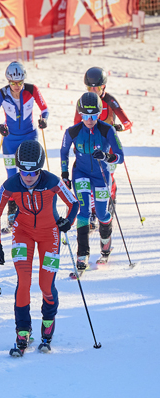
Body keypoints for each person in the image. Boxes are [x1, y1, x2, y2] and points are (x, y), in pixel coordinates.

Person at [0, 140, 78, 356]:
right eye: (23, 172)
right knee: (24, 282)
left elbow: (74, 203)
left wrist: (68, 221)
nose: (28, 177)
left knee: (45, 285)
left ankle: (47, 325)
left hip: (50, 234)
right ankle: (23, 331)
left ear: (41, 169)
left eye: (34, 172)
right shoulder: (10, 185)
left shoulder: (52, 181)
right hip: (23, 233)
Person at [60, 92, 125, 270]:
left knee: (103, 213)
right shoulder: (72, 131)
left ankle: (106, 243)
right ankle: (83, 254)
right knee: (83, 212)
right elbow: (63, 151)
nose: (90, 119)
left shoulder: (107, 130)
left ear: (99, 113)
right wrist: (65, 174)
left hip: (101, 175)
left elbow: (120, 157)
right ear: (80, 114)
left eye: (94, 115)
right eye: (86, 115)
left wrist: (106, 156)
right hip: (80, 173)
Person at [74, 67, 132, 230]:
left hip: (108, 149)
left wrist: (120, 126)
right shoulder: (83, 101)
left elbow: (127, 122)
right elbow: (76, 125)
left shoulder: (110, 101)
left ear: (103, 87)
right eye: (90, 88)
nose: (93, 91)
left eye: (97, 88)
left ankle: (110, 199)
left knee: (107, 177)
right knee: (90, 178)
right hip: (89, 149)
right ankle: (93, 212)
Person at [0, 61, 48, 181]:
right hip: (10, 140)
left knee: (32, 174)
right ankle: (12, 199)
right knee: (12, 176)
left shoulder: (32, 89)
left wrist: (44, 119)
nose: (17, 86)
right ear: (8, 81)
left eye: (20, 82)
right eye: (13, 83)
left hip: (29, 137)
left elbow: (44, 109)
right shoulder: (1, 94)